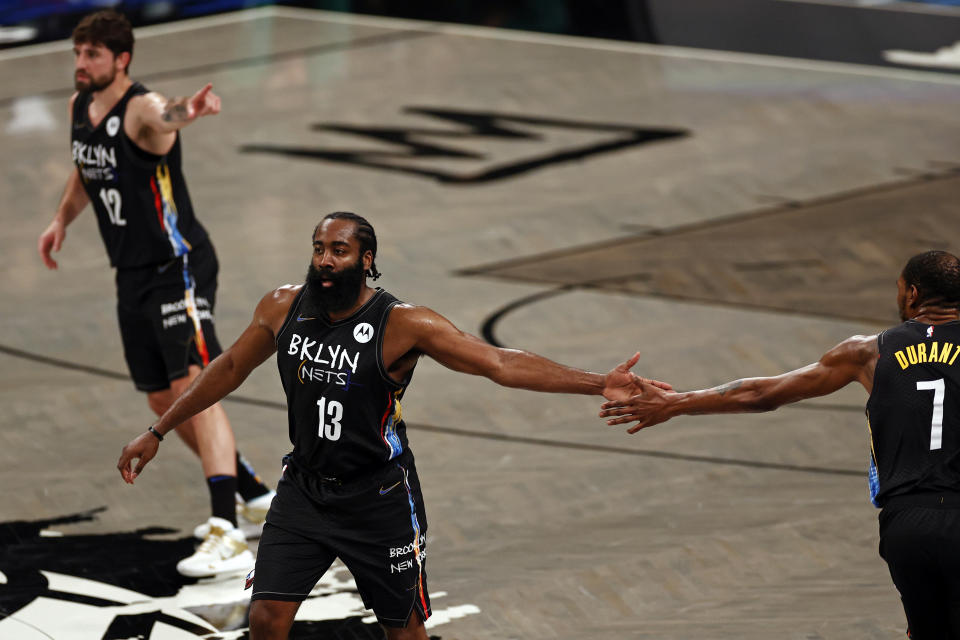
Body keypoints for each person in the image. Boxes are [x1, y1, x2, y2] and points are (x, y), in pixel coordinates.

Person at [116, 211, 666, 640]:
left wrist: (598, 382)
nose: (325, 260)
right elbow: (230, 367)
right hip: (304, 491)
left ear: (367, 258)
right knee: (265, 617)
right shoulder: (284, 306)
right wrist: (159, 430)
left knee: (402, 629)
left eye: (339, 250)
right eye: (318, 249)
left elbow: (500, 363)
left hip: (378, 499)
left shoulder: (403, 324)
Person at [599, 250, 960, 639]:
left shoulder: (867, 352)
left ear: (912, 294)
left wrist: (674, 403)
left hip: (906, 525)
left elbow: (761, 394)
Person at [37, 9, 274, 578]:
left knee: (195, 385)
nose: (80, 64)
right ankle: (258, 495)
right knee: (159, 403)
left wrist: (187, 112)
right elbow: (85, 171)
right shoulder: (81, 108)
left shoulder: (141, 108)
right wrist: (62, 220)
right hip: (132, 273)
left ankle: (227, 529)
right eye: (77, 54)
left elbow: (165, 116)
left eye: (91, 55)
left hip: (178, 265)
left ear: (121, 60)